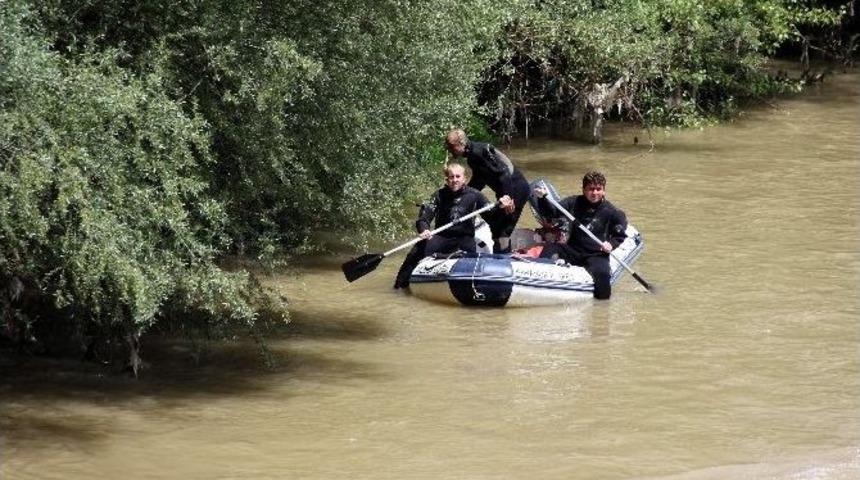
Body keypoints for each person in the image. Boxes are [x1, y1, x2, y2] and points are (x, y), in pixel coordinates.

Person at [393, 163, 512, 289]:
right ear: (447, 179)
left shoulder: (475, 195)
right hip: (442, 237)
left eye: (457, 176)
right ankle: (400, 286)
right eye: (451, 177)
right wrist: (424, 229)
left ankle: (470, 286)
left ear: (464, 178)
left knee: (469, 257)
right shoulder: (438, 195)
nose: (454, 180)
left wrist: (502, 208)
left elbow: (491, 215)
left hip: (464, 238)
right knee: (418, 249)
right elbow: (424, 217)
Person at [533, 171, 627, 299]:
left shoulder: (612, 212)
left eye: (598, 189)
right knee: (551, 248)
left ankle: (601, 312)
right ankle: (537, 283)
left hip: (596, 254)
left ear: (604, 191)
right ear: (584, 190)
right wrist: (542, 199)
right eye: (591, 189)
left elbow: (620, 235)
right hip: (572, 250)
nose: (594, 193)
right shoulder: (573, 202)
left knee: (603, 278)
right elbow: (552, 213)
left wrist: (611, 244)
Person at [445, 129, 531, 253]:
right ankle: (499, 254)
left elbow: (504, 173)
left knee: (503, 230)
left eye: (452, 147)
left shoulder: (480, 152)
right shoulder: (472, 157)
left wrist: (508, 198)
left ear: (461, 144)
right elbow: (479, 180)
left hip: (516, 190)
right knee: (495, 224)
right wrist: (461, 195)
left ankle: (502, 261)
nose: (450, 150)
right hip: (505, 191)